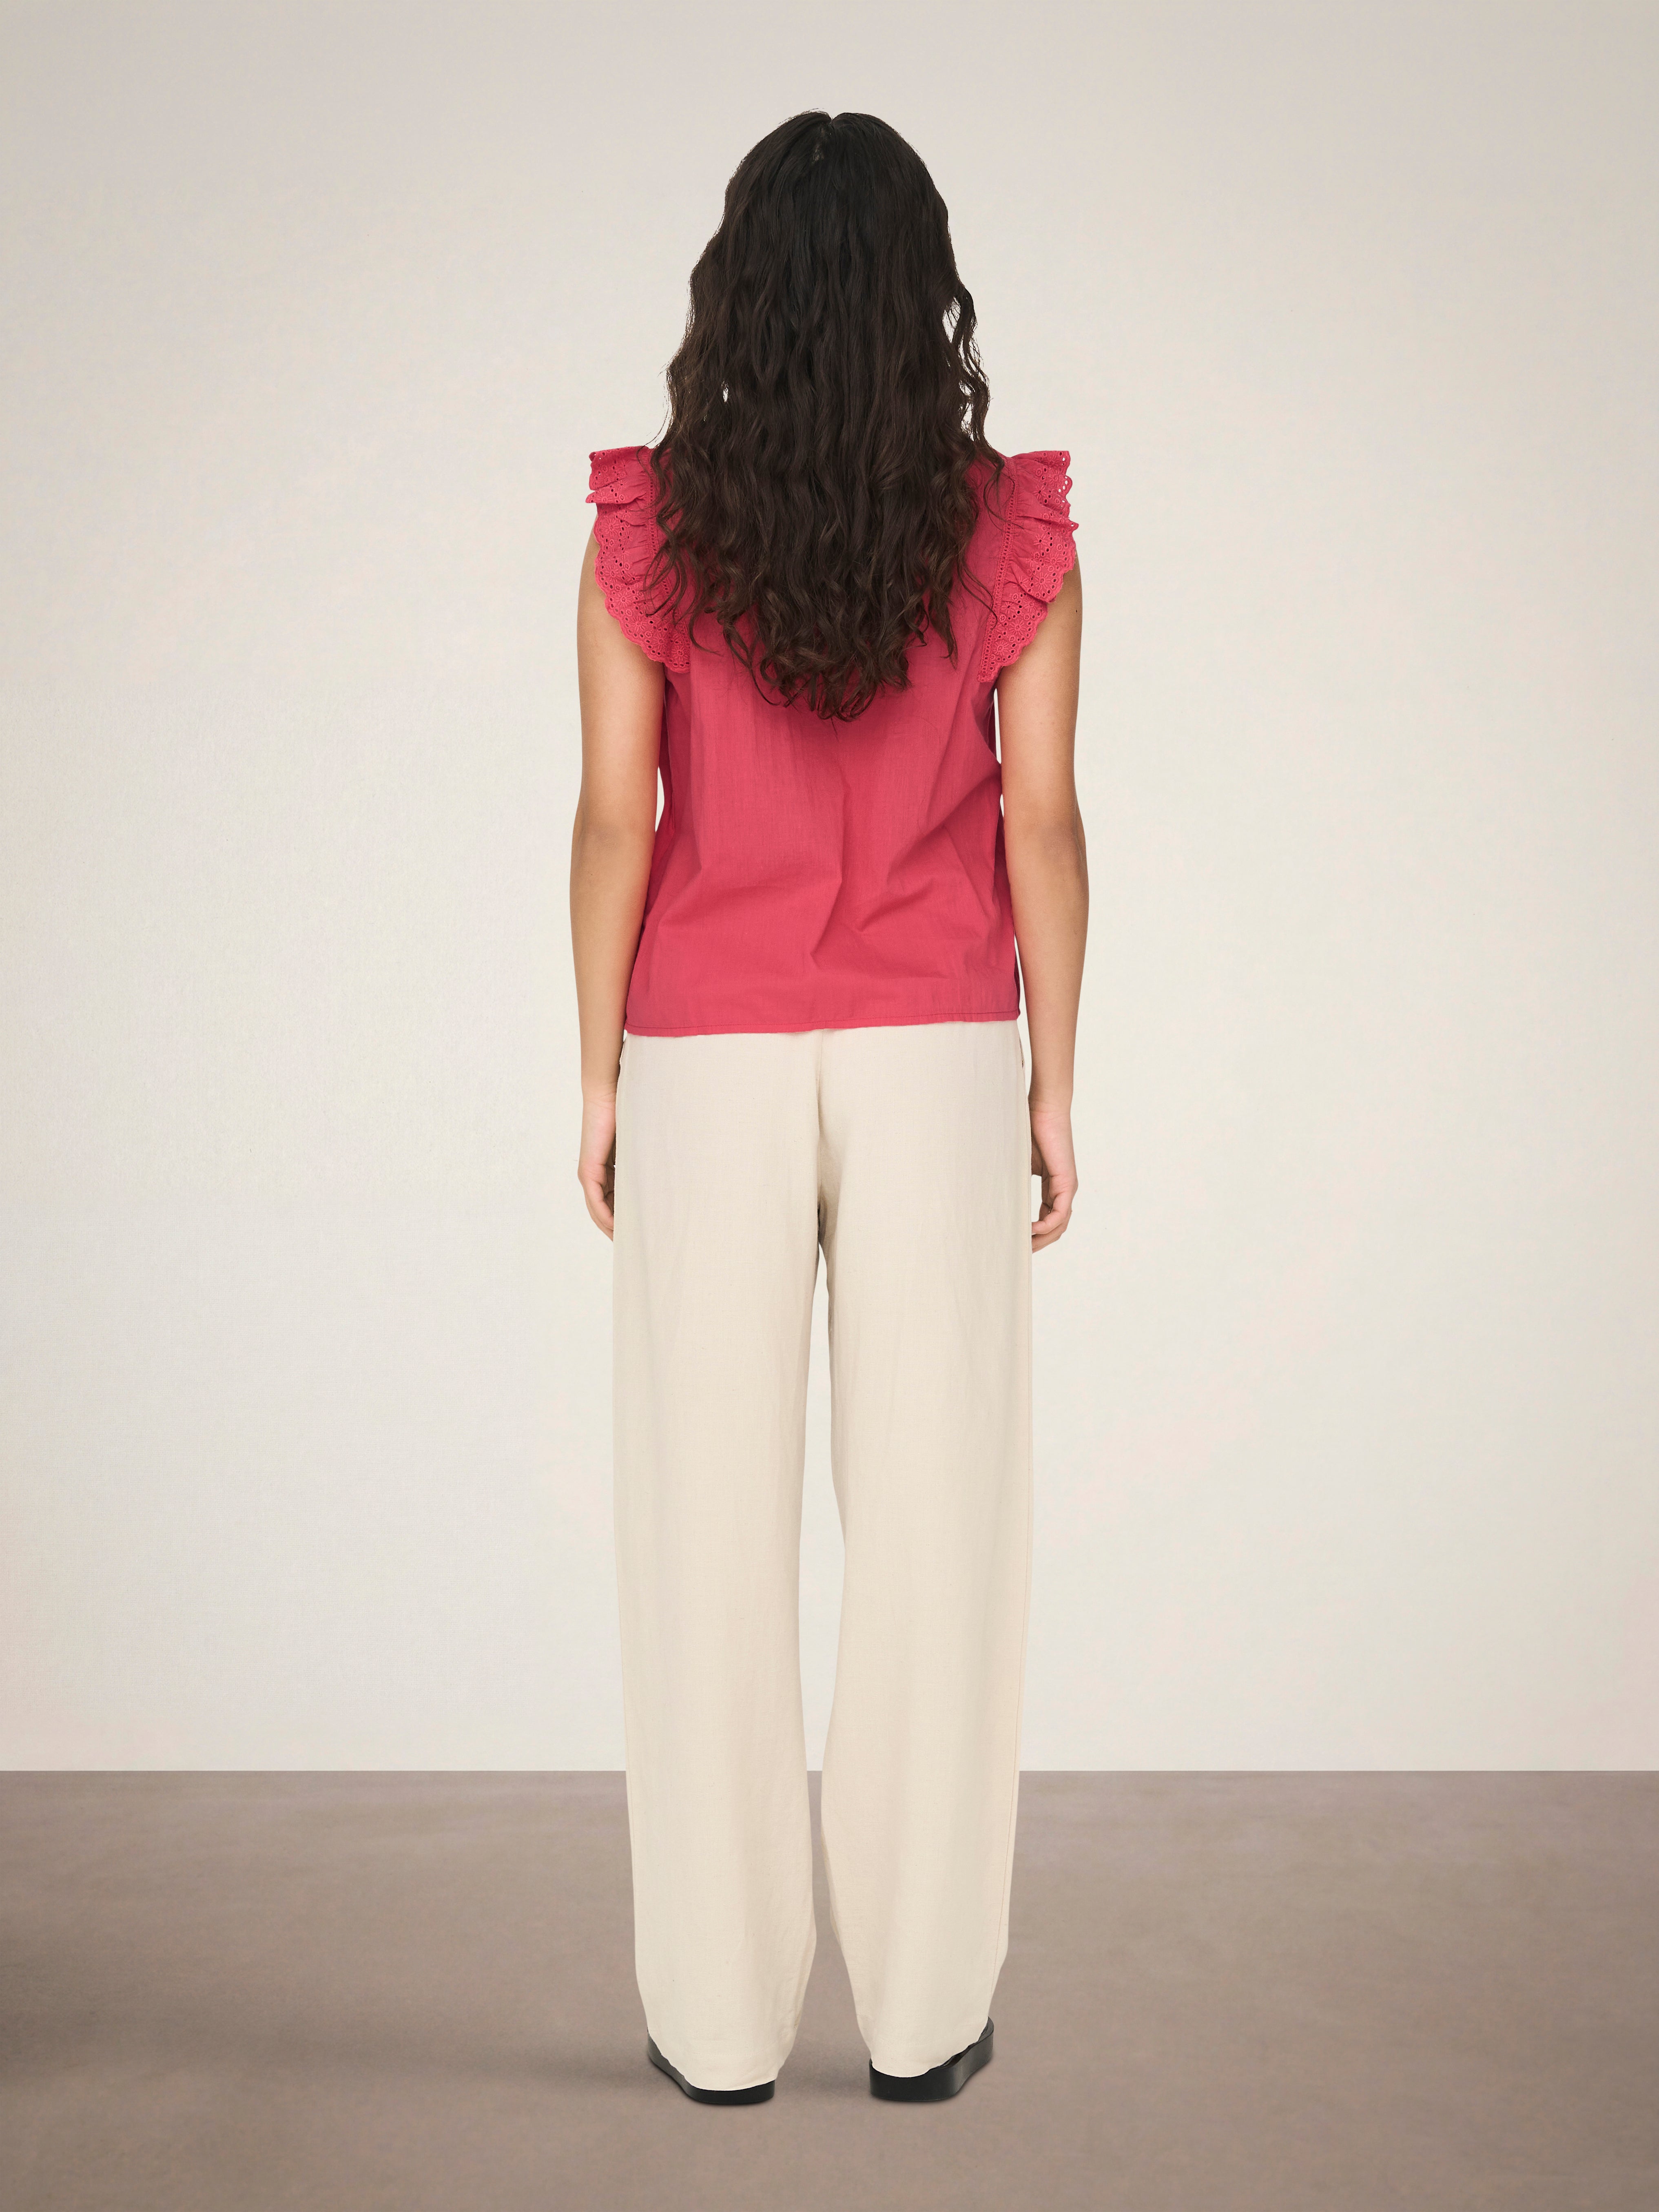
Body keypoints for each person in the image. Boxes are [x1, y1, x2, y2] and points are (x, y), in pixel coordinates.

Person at [569, 110, 1086, 2107]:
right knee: (942, 1529)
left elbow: (618, 819)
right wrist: (1057, 1084)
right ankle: (926, 2016)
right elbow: (1043, 823)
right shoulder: (1010, 534)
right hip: (937, 1046)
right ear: (921, 297)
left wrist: (597, 1074)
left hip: (703, 1045)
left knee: (700, 1533)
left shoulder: (649, 532)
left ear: (738, 299)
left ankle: (714, 2027)